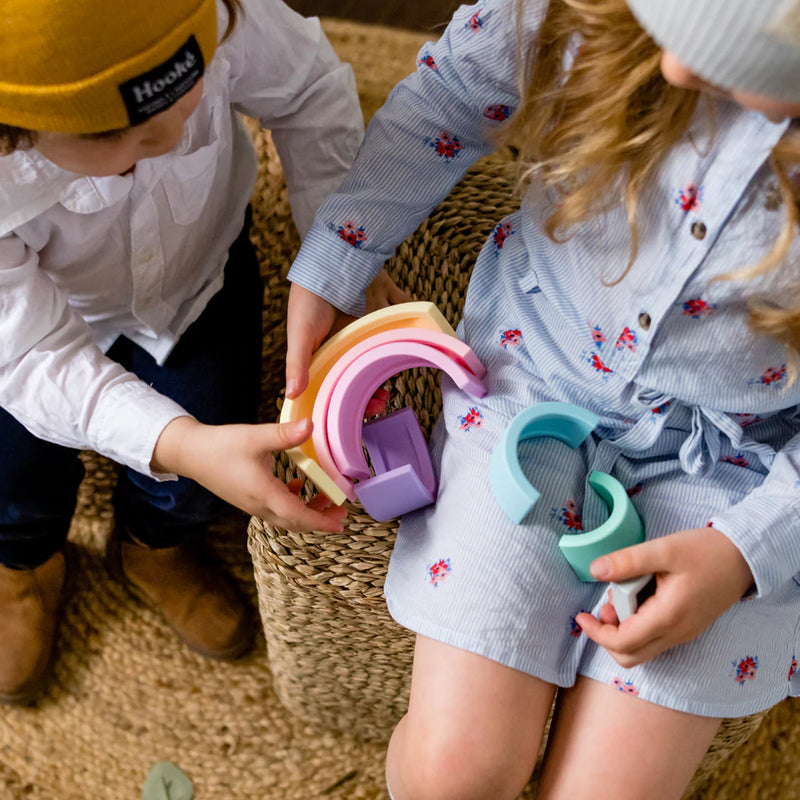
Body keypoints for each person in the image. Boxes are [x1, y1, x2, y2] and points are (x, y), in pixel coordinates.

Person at [284, 0, 800, 797]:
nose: (676, 68)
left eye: (734, 59)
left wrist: (745, 551)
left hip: (743, 469)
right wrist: (337, 254)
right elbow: (448, 95)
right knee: (452, 772)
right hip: (534, 381)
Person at [0, 0, 364, 705]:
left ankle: (155, 545)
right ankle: (21, 562)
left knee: (204, 455)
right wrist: (178, 442)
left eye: (188, 87)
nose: (172, 133)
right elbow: (31, 358)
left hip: (200, 286)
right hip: (41, 328)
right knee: (11, 473)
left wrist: (334, 245)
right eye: (118, 132)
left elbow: (312, 90)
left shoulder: (224, 16)